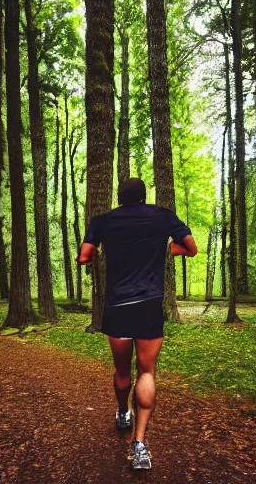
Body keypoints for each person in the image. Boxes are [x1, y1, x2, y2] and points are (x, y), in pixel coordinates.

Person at [77, 178, 197, 470]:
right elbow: (191, 248)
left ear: (120, 196)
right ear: (144, 197)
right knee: (147, 371)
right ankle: (140, 444)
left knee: (121, 369)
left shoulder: (103, 220)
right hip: (149, 306)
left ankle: (121, 413)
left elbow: (84, 257)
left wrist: (95, 253)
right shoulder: (163, 216)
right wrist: (165, 251)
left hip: (117, 306)